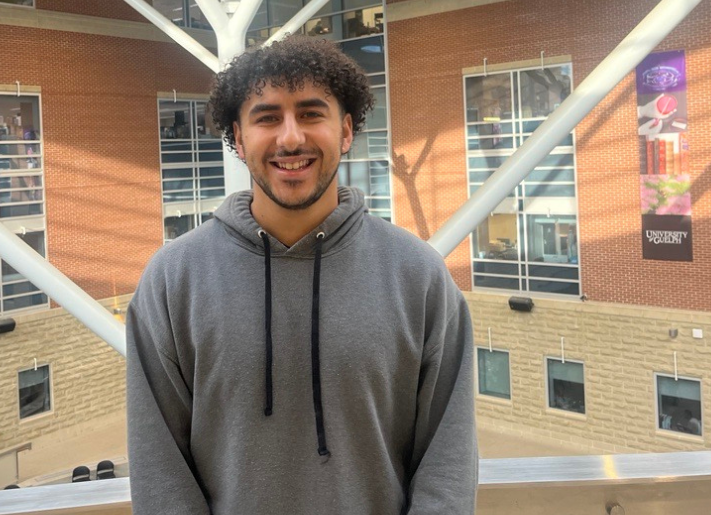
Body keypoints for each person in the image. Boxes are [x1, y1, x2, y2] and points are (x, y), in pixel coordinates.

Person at [127, 35, 478, 515]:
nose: (290, 138)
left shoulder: (418, 276)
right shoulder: (173, 280)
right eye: (267, 117)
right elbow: (160, 472)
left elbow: (448, 462)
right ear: (238, 136)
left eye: (311, 114)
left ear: (347, 130)